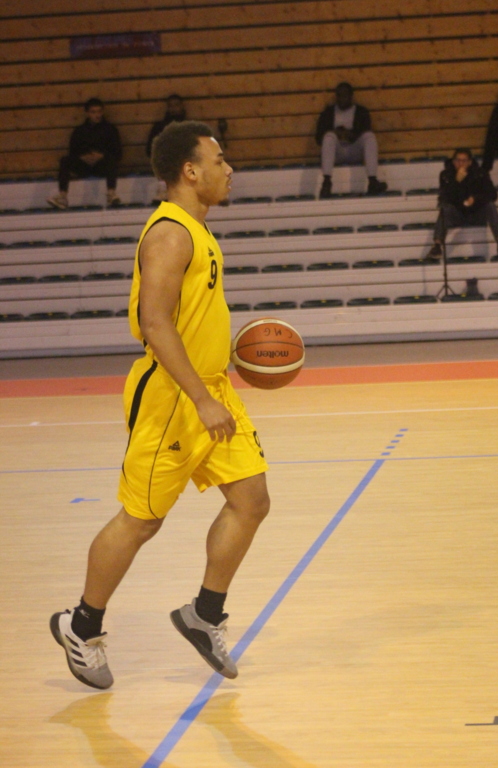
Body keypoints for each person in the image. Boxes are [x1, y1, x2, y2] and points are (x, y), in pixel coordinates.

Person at [50, 121, 270, 689]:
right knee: (141, 520)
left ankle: (204, 615)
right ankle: (81, 625)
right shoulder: (171, 234)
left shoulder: (198, 229)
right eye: (219, 161)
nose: (229, 170)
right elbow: (154, 323)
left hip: (210, 387)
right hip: (175, 397)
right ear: (190, 171)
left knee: (251, 500)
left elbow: (189, 319)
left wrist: (222, 358)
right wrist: (199, 397)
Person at [426, 148, 498, 259]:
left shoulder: (480, 173)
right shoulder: (446, 175)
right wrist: (456, 181)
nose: (461, 164)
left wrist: (475, 199)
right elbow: (444, 197)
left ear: (470, 162)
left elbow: (492, 194)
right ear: (453, 161)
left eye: (464, 161)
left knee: (490, 205)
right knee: (444, 208)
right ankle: (437, 246)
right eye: (458, 160)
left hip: (476, 213)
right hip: (457, 214)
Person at [315, 82, 388, 198]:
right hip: (336, 153)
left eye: (345, 95)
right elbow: (319, 139)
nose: (341, 99)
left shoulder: (361, 112)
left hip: (355, 150)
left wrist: (351, 135)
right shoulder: (328, 113)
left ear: (351, 96)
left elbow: (365, 130)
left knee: (370, 137)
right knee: (328, 137)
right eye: (339, 95)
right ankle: (326, 183)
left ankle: (373, 181)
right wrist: (335, 133)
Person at [47, 98, 122, 210]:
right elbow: (72, 152)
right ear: (87, 113)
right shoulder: (79, 131)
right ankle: (62, 196)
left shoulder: (110, 130)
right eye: (93, 112)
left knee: (111, 160)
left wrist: (102, 156)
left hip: (102, 165)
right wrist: (82, 157)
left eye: (99, 111)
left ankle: (111, 194)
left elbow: (118, 153)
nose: (97, 115)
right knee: (65, 160)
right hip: (83, 166)